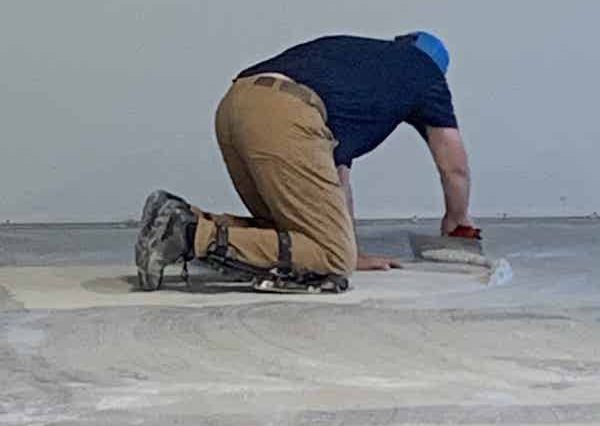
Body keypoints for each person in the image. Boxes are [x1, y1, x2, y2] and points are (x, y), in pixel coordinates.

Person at [135, 32, 480, 292]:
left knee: (289, 233)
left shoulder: (360, 69)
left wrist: (350, 244)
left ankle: (180, 216)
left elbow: (334, 179)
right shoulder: (425, 73)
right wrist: (457, 218)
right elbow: (454, 165)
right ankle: (188, 235)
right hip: (287, 114)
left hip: (237, 103)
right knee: (332, 259)